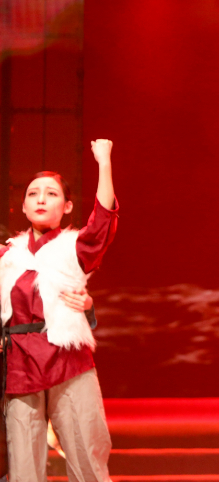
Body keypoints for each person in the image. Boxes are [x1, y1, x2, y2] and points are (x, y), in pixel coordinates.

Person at [0, 139, 118, 482]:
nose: (41, 199)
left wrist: (104, 161)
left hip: (68, 361)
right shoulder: (8, 256)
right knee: (23, 467)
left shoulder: (73, 247)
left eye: (51, 194)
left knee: (86, 455)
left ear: (67, 206)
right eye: (33, 194)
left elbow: (102, 221)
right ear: (23, 207)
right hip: (20, 365)